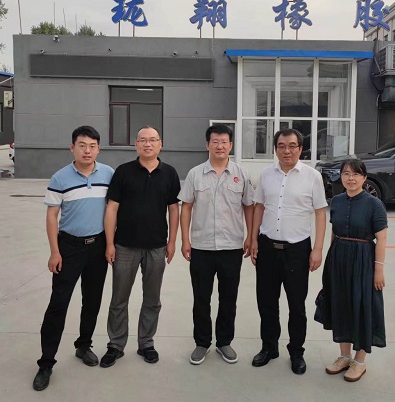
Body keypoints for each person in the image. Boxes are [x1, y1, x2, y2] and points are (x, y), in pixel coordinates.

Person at [33, 126, 114, 391]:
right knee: (58, 304)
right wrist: (54, 251)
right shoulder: (60, 177)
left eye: (92, 146)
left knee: (92, 300)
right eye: (82, 145)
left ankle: (83, 345)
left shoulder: (109, 174)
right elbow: (51, 216)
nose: (87, 150)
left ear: (98, 149)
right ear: (72, 148)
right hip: (68, 247)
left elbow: (114, 210)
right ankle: (46, 363)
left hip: (98, 246)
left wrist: (110, 243)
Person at [99, 126, 180, 368]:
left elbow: (173, 209)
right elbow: (112, 208)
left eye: (152, 140)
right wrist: (110, 243)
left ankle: (146, 343)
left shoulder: (169, 173)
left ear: (160, 144)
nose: (148, 144)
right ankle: (115, 344)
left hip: (156, 247)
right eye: (143, 140)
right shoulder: (123, 172)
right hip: (125, 246)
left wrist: (172, 241)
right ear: (136, 144)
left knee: (152, 299)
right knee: (119, 298)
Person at [250, 129, 327, 375]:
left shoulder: (312, 177)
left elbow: (320, 213)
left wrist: (317, 249)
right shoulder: (266, 174)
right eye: (282, 146)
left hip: (297, 250)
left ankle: (296, 352)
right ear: (275, 149)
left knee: (296, 305)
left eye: (292, 146)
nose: (287, 150)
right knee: (266, 302)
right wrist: (253, 239)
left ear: (300, 149)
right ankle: (269, 347)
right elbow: (259, 207)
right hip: (267, 248)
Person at [179, 124, 254, 365]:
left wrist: (251, 236)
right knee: (201, 298)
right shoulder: (195, 174)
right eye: (215, 141)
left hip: (231, 247)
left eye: (224, 142)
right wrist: (185, 239)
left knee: (228, 298)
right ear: (207, 145)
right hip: (201, 247)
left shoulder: (241, 174)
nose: (219, 146)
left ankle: (224, 342)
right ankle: (202, 343)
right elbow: (186, 207)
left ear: (230, 145)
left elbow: (249, 207)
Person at [322, 158, 388, 382]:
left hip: (363, 260)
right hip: (339, 257)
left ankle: (360, 361)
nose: (351, 178)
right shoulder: (337, 201)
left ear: (364, 178)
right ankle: (344, 356)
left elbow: (382, 238)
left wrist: (378, 269)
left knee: (361, 306)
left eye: (356, 174)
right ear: (341, 177)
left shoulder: (374, 204)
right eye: (346, 174)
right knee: (341, 304)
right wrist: (331, 259)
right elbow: (334, 231)